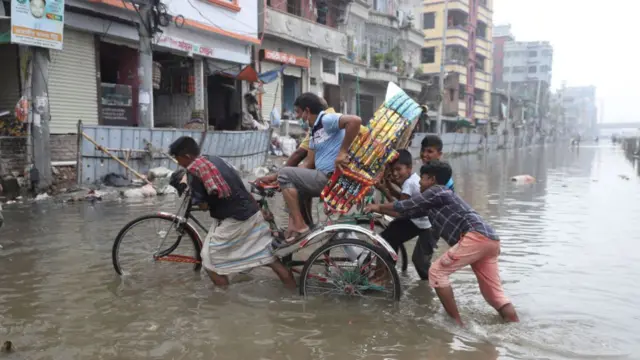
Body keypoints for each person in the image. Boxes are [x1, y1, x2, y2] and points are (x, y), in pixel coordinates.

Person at [365, 160, 519, 325]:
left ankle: (457, 323)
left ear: (431, 179)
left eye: (422, 179)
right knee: (493, 295)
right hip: (489, 240)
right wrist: (383, 202)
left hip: (476, 236)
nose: (419, 183)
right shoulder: (434, 200)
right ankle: (514, 325)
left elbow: (407, 204)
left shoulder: (437, 191)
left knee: (437, 272)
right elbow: (408, 211)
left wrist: (378, 207)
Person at [168, 136, 296, 289]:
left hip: (237, 218)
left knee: (209, 261)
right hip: (251, 210)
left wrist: (195, 194)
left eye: (178, 160)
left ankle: (223, 301)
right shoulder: (213, 159)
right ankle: (293, 292)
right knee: (269, 257)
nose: (179, 164)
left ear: (186, 156)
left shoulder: (195, 171)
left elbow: (202, 206)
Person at [276, 93, 362, 243]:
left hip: (330, 178)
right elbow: (308, 164)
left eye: (298, 112)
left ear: (307, 111)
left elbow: (355, 121)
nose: (298, 117)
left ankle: (301, 226)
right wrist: (276, 178)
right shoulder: (315, 131)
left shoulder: (326, 120)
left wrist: (342, 152)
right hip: (325, 177)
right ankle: (299, 228)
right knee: (293, 184)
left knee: (285, 174)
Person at [377, 150, 435, 280]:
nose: (395, 173)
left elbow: (400, 210)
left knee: (385, 238)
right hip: (419, 220)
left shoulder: (409, 183)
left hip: (419, 222)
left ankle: (383, 276)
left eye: (398, 169)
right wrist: (386, 189)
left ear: (409, 168)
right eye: (393, 170)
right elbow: (404, 202)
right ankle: (388, 273)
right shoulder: (413, 179)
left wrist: (378, 208)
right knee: (392, 234)